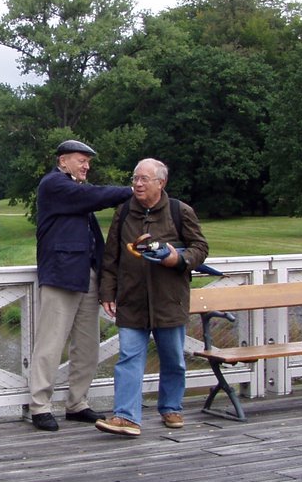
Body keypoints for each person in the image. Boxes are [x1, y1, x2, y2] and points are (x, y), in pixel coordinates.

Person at [96, 158, 208, 437]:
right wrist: (107, 292)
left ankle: (171, 407)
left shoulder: (180, 211)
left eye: (144, 179)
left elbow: (200, 248)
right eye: (135, 178)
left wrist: (177, 259)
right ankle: (125, 416)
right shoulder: (123, 213)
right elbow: (112, 257)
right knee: (128, 358)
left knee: (172, 359)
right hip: (132, 298)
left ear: (161, 182)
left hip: (169, 299)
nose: (137, 184)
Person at [28, 139, 134, 432]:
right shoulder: (54, 184)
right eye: (81, 160)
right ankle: (40, 406)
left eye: (88, 161)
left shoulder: (76, 190)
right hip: (61, 274)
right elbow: (97, 196)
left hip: (87, 274)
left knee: (88, 346)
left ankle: (77, 404)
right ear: (63, 161)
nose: (87, 166)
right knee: (50, 343)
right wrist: (134, 191)